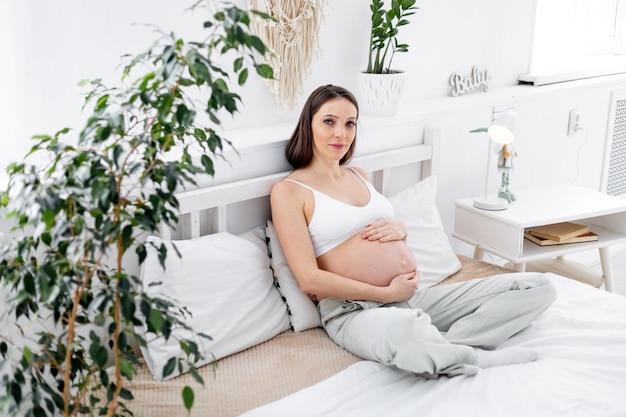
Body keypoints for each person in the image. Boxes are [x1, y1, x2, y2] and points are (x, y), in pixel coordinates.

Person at [270, 85, 557, 378]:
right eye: (329, 121)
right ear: (309, 124)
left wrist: (401, 229)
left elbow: (381, 237)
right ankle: (468, 355)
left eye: (350, 123)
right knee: (404, 333)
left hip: (412, 296)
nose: (341, 133)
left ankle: (450, 347)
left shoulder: (360, 175)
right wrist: (384, 293)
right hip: (353, 311)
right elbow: (309, 279)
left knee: (537, 286)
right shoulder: (290, 192)